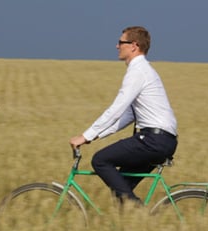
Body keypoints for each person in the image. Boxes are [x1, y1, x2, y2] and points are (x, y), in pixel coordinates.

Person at [69, 26, 178, 205]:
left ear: (134, 46)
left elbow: (116, 109)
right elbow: (127, 116)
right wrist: (93, 137)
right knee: (121, 191)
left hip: (152, 140)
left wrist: (85, 135)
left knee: (100, 160)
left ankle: (138, 212)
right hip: (161, 140)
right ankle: (136, 222)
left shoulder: (138, 71)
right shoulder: (143, 70)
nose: (117, 46)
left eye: (121, 42)